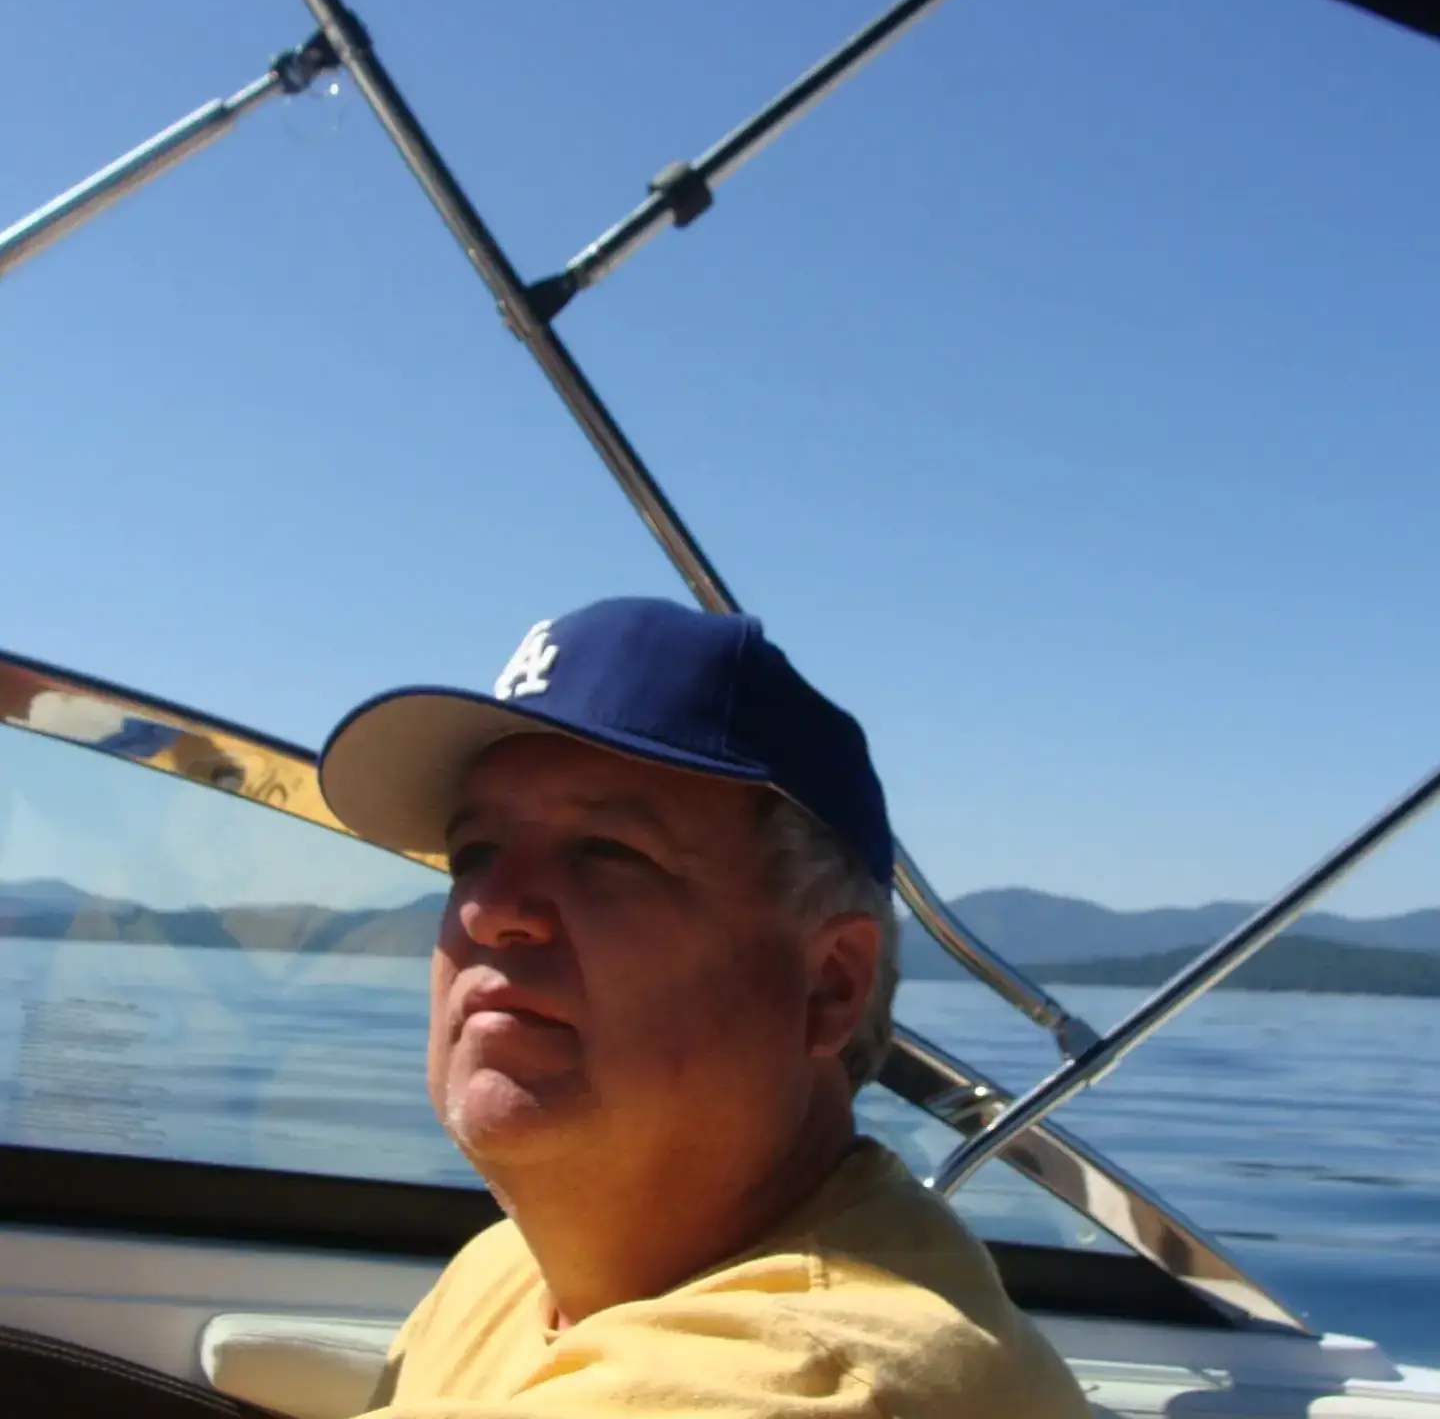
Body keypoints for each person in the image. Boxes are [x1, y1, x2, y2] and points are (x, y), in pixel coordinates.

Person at [318, 596, 1089, 1419]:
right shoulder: (511, 1269)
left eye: (607, 851)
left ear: (827, 985)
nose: (490, 910)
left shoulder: (804, 1381)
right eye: (473, 854)